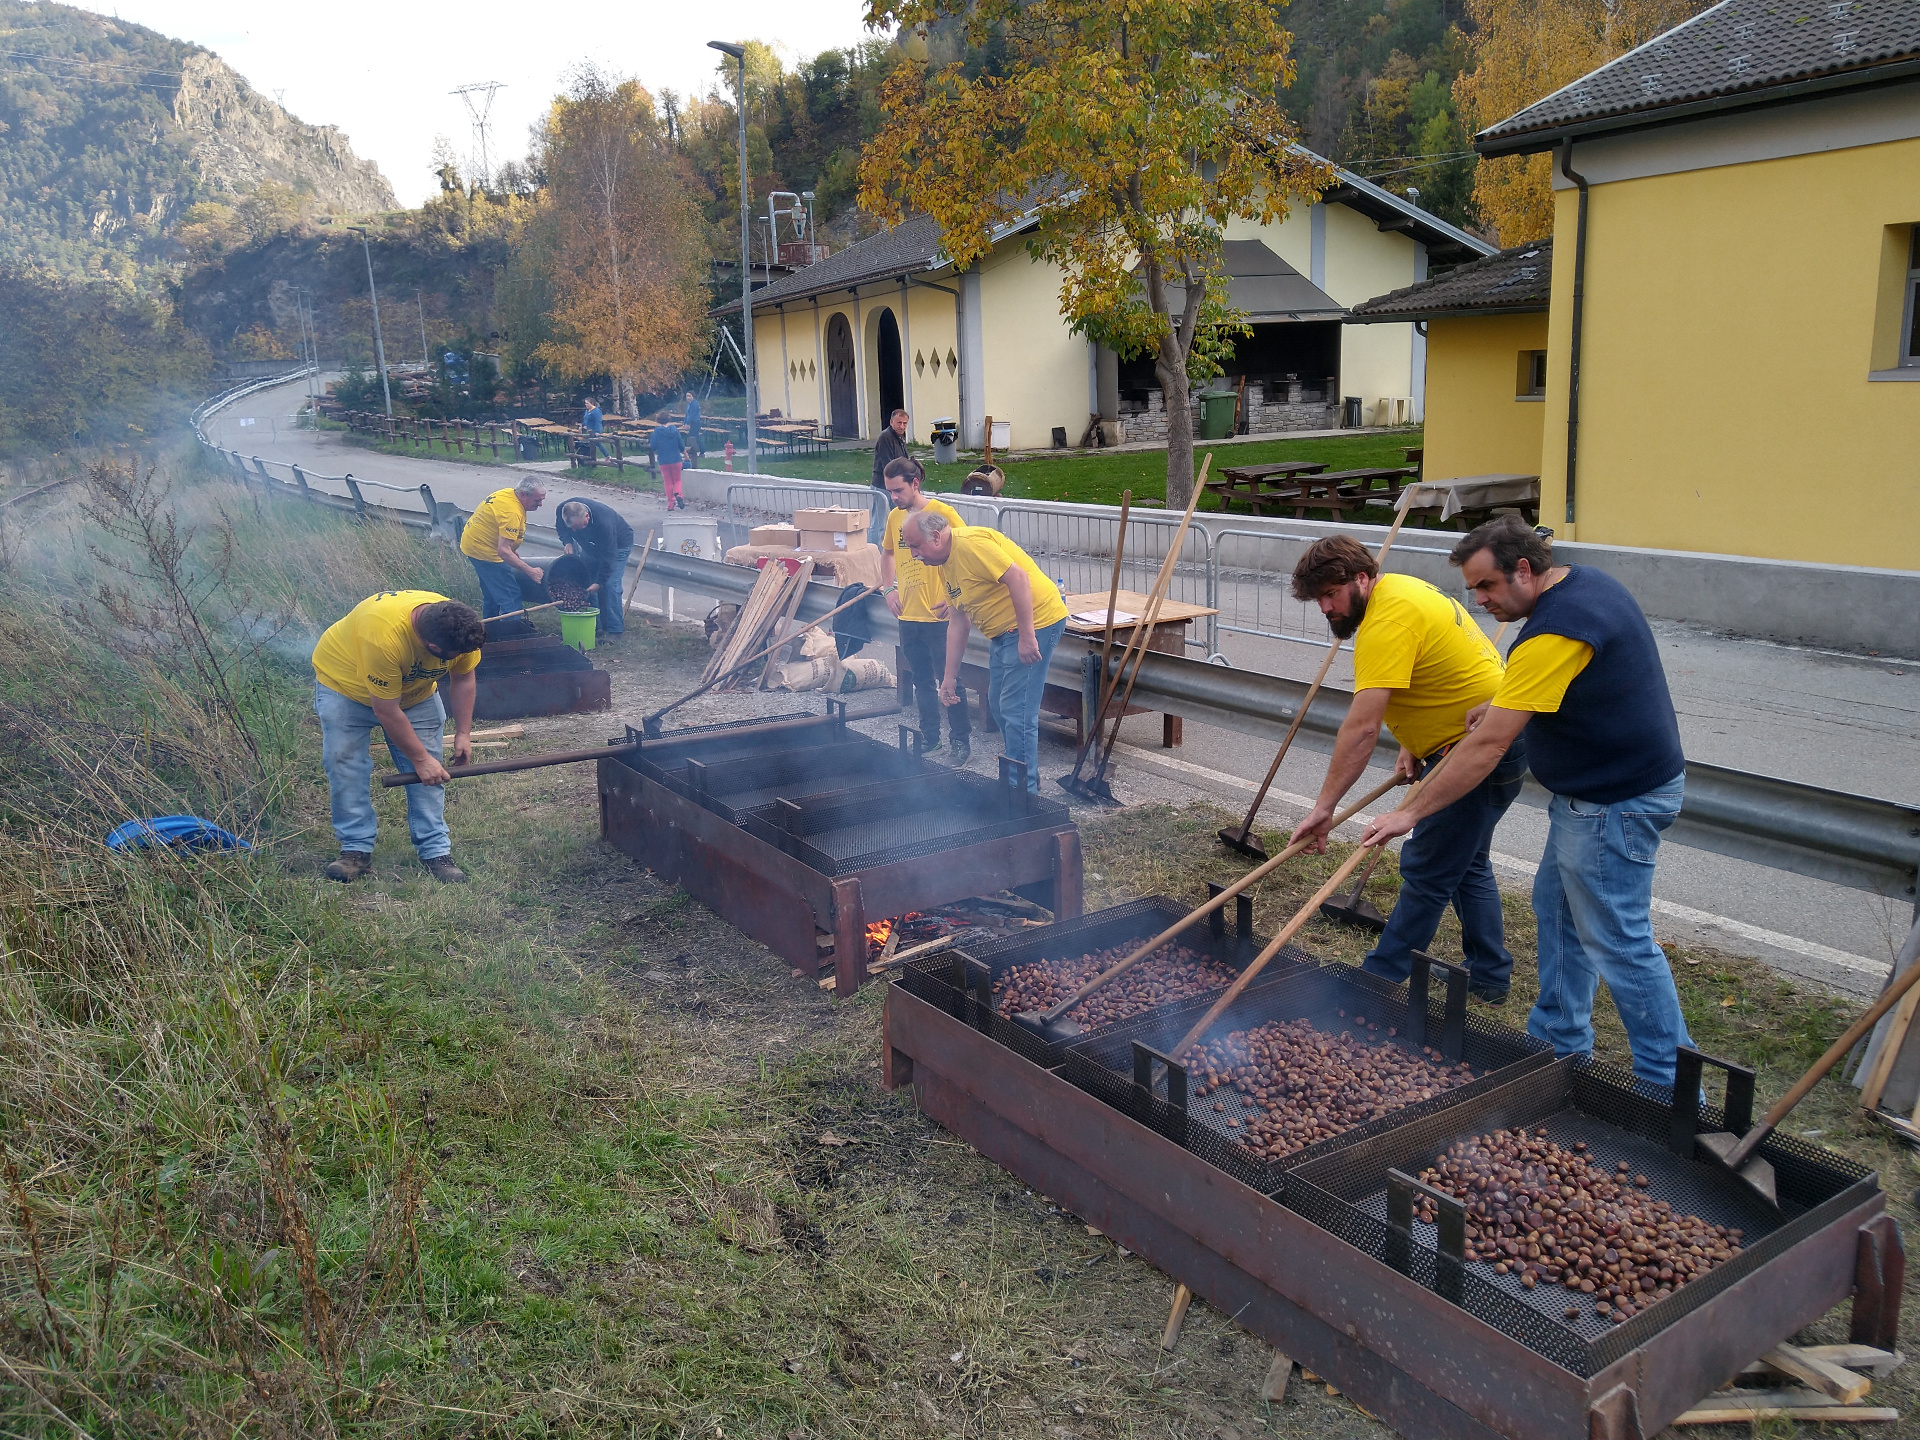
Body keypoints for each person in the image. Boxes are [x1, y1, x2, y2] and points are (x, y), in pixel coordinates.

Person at [1363, 515, 1694, 1089]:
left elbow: (1489, 747)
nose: (1480, 600)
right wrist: (1496, 708)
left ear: (1524, 570)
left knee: (1618, 940)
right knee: (1559, 917)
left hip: (1614, 803)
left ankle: (1669, 1087)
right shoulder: (1582, 586)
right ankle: (1556, 1047)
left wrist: (1410, 811)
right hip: (1589, 798)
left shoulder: (1557, 629)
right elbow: (1537, 700)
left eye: (1487, 587)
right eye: (1473, 589)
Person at [1289, 536, 1523, 1003]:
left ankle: (1378, 979)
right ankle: (1489, 974)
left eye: (1330, 595)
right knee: (1466, 862)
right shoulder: (1399, 589)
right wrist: (1417, 743)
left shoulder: (1386, 622)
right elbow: (1433, 673)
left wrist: (1325, 808)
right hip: (1488, 735)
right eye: (1318, 599)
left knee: (1428, 869)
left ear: (1360, 579)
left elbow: (1361, 729)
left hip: (1477, 747)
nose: (1325, 608)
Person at [310, 591, 486, 884]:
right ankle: (355, 849)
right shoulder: (383, 637)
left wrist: (463, 733)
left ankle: (435, 851)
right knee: (345, 764)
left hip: (414, 694)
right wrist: (419, 758)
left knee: (432, 771)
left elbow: (464, 678)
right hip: (345, 686)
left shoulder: (459, 627)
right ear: (430, 647)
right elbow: (387, 710)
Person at [902, 510, 1068, 792]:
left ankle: (1023, 793)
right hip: (1003, 633)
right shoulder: (944, 563)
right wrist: (949, 678)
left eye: (917, 546)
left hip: (1036, 622)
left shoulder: (970, 545)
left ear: (936, 536)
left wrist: (1028, 637)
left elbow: (1018, 578)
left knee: (1017, 710)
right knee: (998, 704)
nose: (915, 555)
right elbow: (958, 621)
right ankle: (1024, 772)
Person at [880, 455, 971, 764]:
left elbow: (966, 551)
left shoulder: (942, 513)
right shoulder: (895, 517)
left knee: (951, 680)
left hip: (939, 616)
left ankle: (960, 741)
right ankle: (930, 739)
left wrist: (955, 596)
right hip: (908, 614)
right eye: (889, 491)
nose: (893, 497)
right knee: (921, 681)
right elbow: (887, 553)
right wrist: (888, 588)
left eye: (897, 490)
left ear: (915, 484)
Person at [460, 479, 546, 618]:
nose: (540, 504)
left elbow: (501, 534)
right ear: (524, 494)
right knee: (510, 596)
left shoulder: (509, 494)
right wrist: (531, 571)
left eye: (542, 500)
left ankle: (490, 631)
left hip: (473, 544)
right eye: (537, 500)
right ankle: (511, 635)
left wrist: (512, 550)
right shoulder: (512, 512)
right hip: (485, 552)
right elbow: (503, 551)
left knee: (493, 594)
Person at [556, 497, 635, 637]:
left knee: (610, 585)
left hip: (617, 546)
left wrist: (599, 582)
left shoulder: (604, 523)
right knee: (587, 581)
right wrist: (567, 542)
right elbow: (562, 528)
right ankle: (595, 626)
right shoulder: (563, 509)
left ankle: (614, 630)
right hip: (590, 547)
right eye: (572, 528)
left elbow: (608, 557)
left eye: (578, 527)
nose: (574, 530)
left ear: (587, 516)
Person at [870, 408, 910, 544]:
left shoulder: (900, 437)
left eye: (905, 423)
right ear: (891, 422)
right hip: (882, 486)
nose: (902, 426)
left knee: (895, 520)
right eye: (899, 423)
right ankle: (876, 555)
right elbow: (889, 465)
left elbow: (903, 459)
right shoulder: (885, 437)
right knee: (880, 524)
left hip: (895, 486)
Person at [653, 414, 687, 509]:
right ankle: (679, 494)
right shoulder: (675, 430)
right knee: (677, 480)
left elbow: (653, 446)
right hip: (676, 459)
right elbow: (681, 445)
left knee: (667, 482)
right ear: (668, 419)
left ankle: (670, 505)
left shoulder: (657, 431)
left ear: (658, 421)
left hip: (663, 461)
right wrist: (686, 456)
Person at [581, 395, 604, 462]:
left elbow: (598, 421)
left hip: (594, 430)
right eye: (585, 403)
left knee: (596, 443)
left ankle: (607, 456)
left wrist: (598, 431)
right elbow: (585, 419)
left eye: (587, 403)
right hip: (588, 430)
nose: (586, 405)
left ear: (592, 403)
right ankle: (588, 457)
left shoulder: (596, 411)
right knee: (591, 443)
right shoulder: (587, 411)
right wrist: (583, 425)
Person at [685, 391, 702, 461]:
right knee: (696, 437)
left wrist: (688, 423)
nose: (688, 397)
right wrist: (685, 423)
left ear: (693, 396)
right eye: (687, 396)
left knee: (692, 436)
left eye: (689, 396)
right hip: (691, 422)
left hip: (696, 422)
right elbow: (687, 415)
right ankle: (701, 451)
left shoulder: (694, 404)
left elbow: (692, 415)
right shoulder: (689, 404)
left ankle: (693, 452)